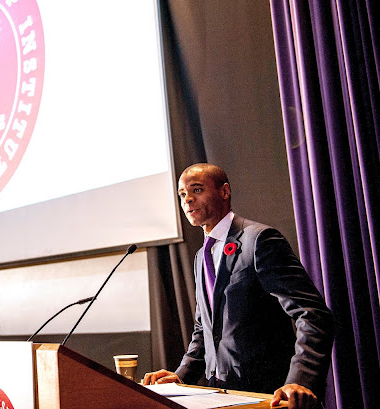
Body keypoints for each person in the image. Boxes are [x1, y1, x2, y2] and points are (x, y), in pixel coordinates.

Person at [143, 163, 333, 409]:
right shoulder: (201, 256)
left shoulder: (259, 240)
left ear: (224, 191)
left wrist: (300, 380)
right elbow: (205, 328)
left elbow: (312, 314)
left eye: (197, 190)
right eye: (182, 194)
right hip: (220, 396)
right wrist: (181, 376)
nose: (187, 199)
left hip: (269, 396)